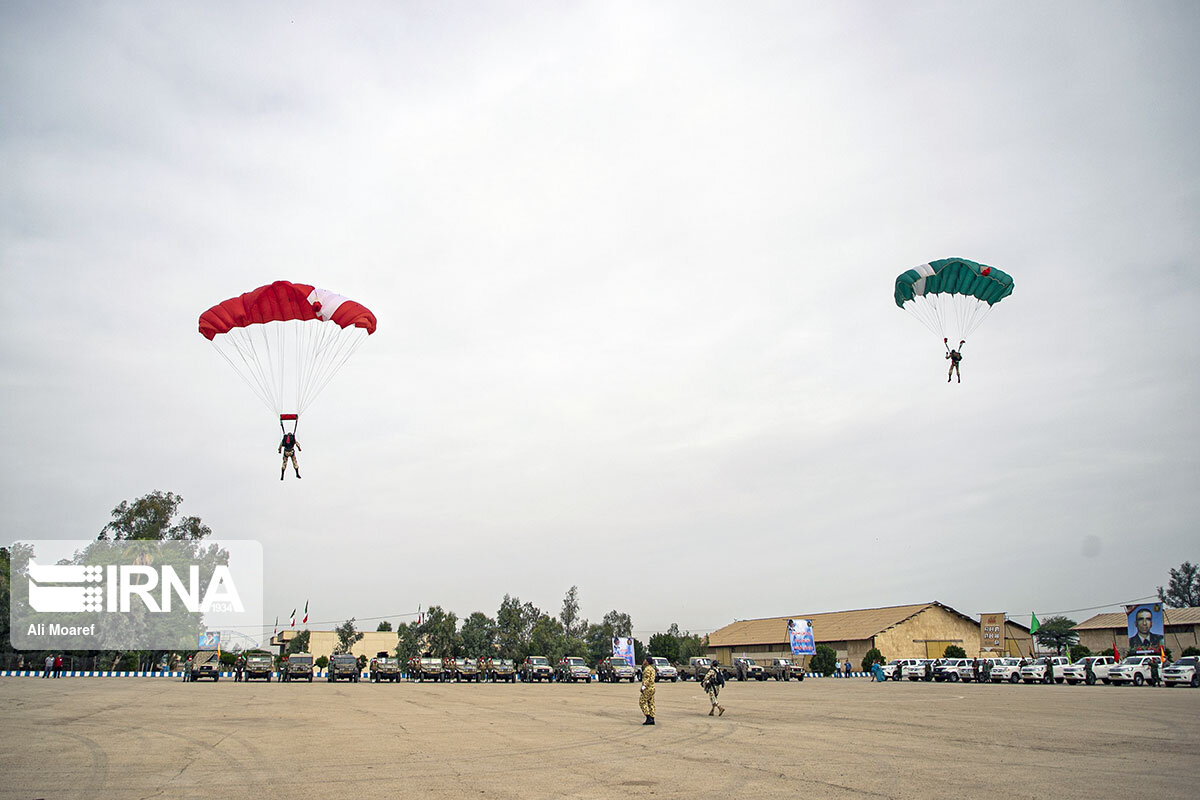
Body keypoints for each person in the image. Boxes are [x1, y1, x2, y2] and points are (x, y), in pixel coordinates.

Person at [639, 657, 656, 726]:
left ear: (647, 662)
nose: (644, 661)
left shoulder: (647, 669)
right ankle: (652, 718)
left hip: (648, 688)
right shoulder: (652, 669)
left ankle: (648, 717)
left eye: (645, 660)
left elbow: (647, 679)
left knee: (642, 702)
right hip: (652, 688)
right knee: (650, 703)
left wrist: (643, 687)